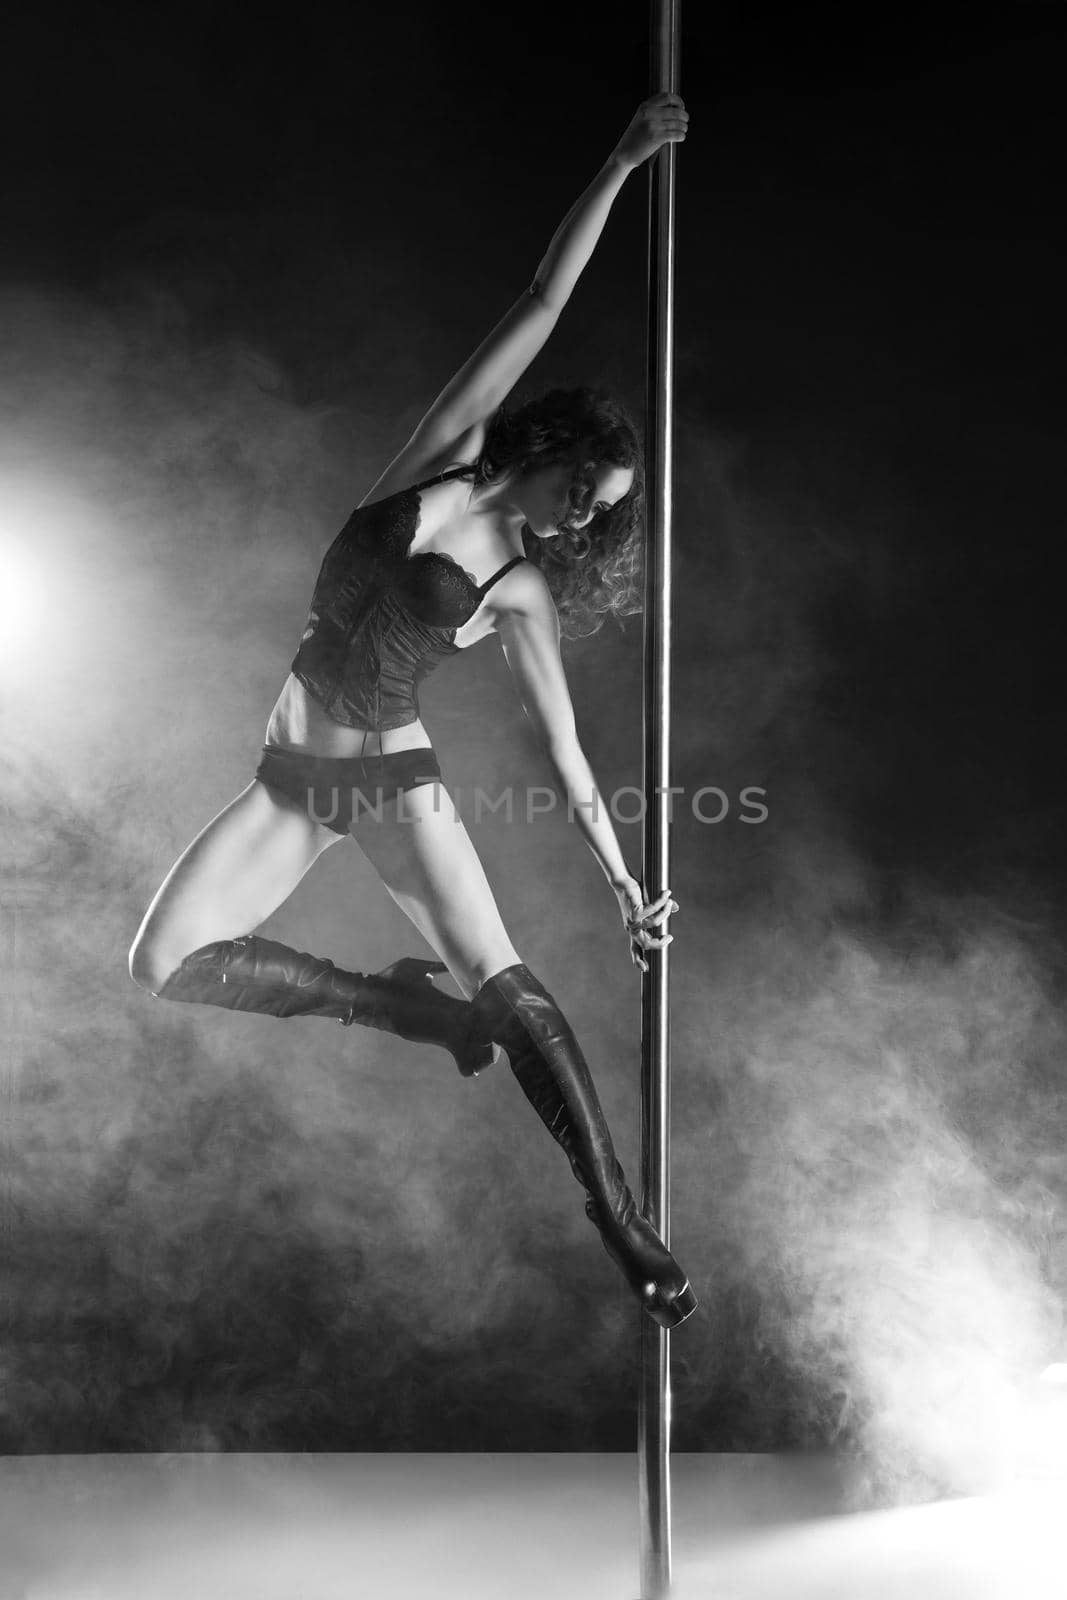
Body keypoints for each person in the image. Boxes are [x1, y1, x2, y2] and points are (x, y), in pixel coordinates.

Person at [129, 92, 696, 1330]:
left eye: (597, 516)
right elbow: (541, 302)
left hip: (388, 782)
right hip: (290, 776)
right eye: (576, 493)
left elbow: (563, 751)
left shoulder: (522, 590)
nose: (577, 522)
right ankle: (405, 1008)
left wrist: (618, 879)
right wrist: (617, 157)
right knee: (165, 963)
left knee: (504, 976)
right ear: (544, 451)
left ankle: (618, 1221)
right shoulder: (443, 455)